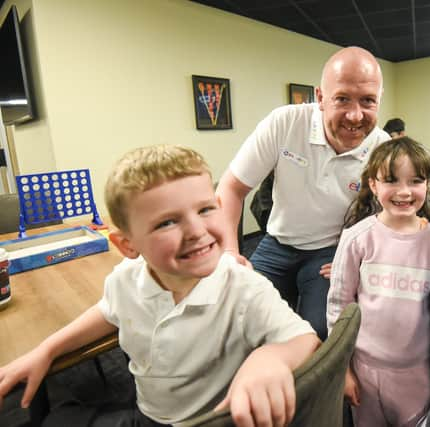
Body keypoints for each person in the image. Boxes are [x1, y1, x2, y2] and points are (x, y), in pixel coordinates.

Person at [0, 145, 320, 427]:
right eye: (167, 222)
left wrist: (272, 358)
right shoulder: (126, 278)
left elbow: (304, 339)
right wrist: (47, 349)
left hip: (215, 420)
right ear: (127, 245)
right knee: (57, 418)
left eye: (205, 209)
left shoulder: (242, 286)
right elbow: (110, 311)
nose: (196, 230)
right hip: (149, 415)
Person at [216, 46, 391, 340]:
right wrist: (230, 252)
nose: (355, 115)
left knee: (320, 334)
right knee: (241, 320)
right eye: (342, 98)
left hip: (331, 251)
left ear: (379, 100)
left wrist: (358, 258)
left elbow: (396, 217)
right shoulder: (285, 123)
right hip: (277, 243)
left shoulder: (382, 147)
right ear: (320, 98)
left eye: (368, 101)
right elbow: (231, 188)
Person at [327, 137, 430, 426]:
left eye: (416, 181)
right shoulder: (357, 238)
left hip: (416, 373)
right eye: (391, 181)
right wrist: (343, 369)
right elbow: (339, 307)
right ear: (373, 185)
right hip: (363, 369)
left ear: (427, 185)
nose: (404, 192)